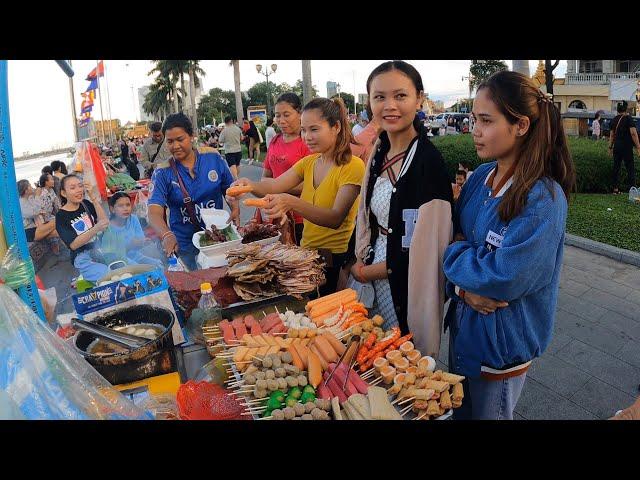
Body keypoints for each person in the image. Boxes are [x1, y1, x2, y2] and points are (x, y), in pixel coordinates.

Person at [442, 70, 576, 420]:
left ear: (521, 125)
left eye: (486, 120)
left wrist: (454, 255)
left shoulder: (543, 198)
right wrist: (462, 289)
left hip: (502, 347)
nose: (474, 130)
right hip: (464, 333)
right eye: (474, 119)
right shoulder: (479, 179)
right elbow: (453, 238)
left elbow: (504, 278)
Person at [351, 61, 454, 343]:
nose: (389, 106)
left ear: (419, 98)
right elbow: (367, 218)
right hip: (369, 271)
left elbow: (429, 249)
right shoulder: (378, 151)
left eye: (400, 96)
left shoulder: (428, 163)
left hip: (403, 285)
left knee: (400, 359)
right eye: (379, 97)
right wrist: (357, 264)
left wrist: (366, 271)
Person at [228, 97, 365, 295]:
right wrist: (249, 185)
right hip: (307, 256)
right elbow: (275, 184)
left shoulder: (353, 166)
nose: (307, 136)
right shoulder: (309, 163)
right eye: (304, 129)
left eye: (314, 129)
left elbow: (335, 218)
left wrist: (291, 202)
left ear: (335, 127)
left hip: (335, 261)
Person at [148, 113, 237, 271]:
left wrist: (235, 209)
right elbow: (154, 212)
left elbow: (229, 190)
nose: (175, 146)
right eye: (170, 141)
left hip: (218, 239)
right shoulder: (162, 173)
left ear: (192, 136)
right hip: (183, 244)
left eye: (180, 139)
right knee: (194, 288)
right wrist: (167, 235)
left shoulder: (213, 158)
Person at [260, 92, 312, 241]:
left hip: (302, 216)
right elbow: (264, 178)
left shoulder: (307, 142)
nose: (281, 120)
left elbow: (311, 184)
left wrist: (277, 186)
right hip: (277, 214)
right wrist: (274, 186)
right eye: (277, 115)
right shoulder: (275, 141)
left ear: (299, 113)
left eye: (286, 115)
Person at [55, 174, 111, 283]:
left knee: (122, 267)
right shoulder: (61, 216)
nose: (78, 190)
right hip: (82, 257)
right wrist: (95, 229)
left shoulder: (86, 204)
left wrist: (93, 197)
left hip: (99, 250)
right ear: (63, 193)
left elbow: (104, 223)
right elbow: (73, 245)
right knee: (108, 276)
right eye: (72, 188)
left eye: (80, 186)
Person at [100, 191, 163, 268]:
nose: (125, 209)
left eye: (128, 205)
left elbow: (140, 242)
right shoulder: (108, 227)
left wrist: (143, 242)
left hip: (136, 256)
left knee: (158, 265)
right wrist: (130, 245)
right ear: (112, 209)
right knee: (141, 270)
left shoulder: (133, 219)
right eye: (121, 206)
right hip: (119, 262)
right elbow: (112, 255)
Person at [17, 179, 59, 250]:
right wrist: (37, 195)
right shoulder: (20, 202)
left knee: (58, 232)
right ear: (26, 190)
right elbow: (33, 213)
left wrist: (35, 196)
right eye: (29, 186)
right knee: (58, 220)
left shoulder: (30, 198)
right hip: (29, 231)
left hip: (37, 227)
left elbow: (40, 207)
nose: (32, 187)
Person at [609, 101, 639, 194]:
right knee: (630, 168)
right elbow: (633, 133)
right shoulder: (628, 119)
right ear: (626, 109)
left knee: (616, 167)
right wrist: (638, 147)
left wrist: (610, 147)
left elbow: (611, 135)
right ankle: (632, 189)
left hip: (616, 147)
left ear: (618, 109)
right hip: (626, 146)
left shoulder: (614, 120)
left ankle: (615, 189)